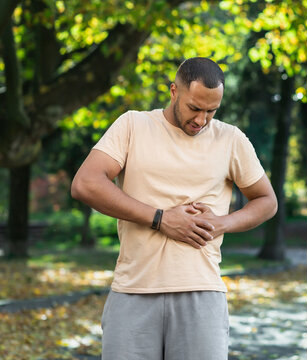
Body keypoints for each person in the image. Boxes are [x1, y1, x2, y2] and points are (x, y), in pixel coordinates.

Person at [71, 57, 277, 360]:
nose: (202, 120)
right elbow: (86, 183)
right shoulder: (133, 125)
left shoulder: (230, 138)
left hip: (202, 293)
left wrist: (222, 223)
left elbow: (266, 201)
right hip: (133, 290)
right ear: (174, 92)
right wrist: (161, 219)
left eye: (211, 111)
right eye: (195, 108)